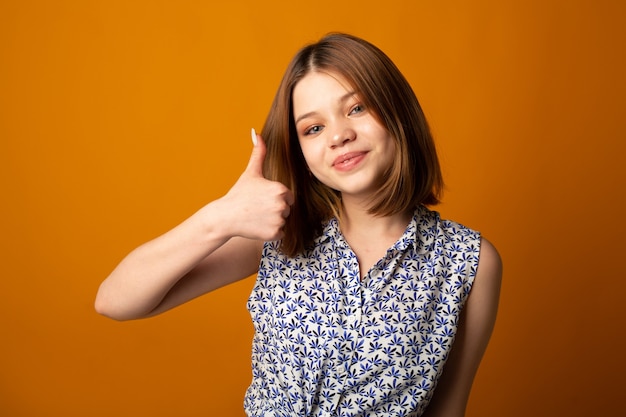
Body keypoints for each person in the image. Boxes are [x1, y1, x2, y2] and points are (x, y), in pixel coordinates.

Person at [96, 33, 502, 417]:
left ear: (397, 111)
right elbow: (115, 301)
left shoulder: (469, 262)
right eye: (313, 128)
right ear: (301, 150)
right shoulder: (283, 235)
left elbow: (448, 408)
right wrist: (219, 217)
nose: (339, 136)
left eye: (356, 108)